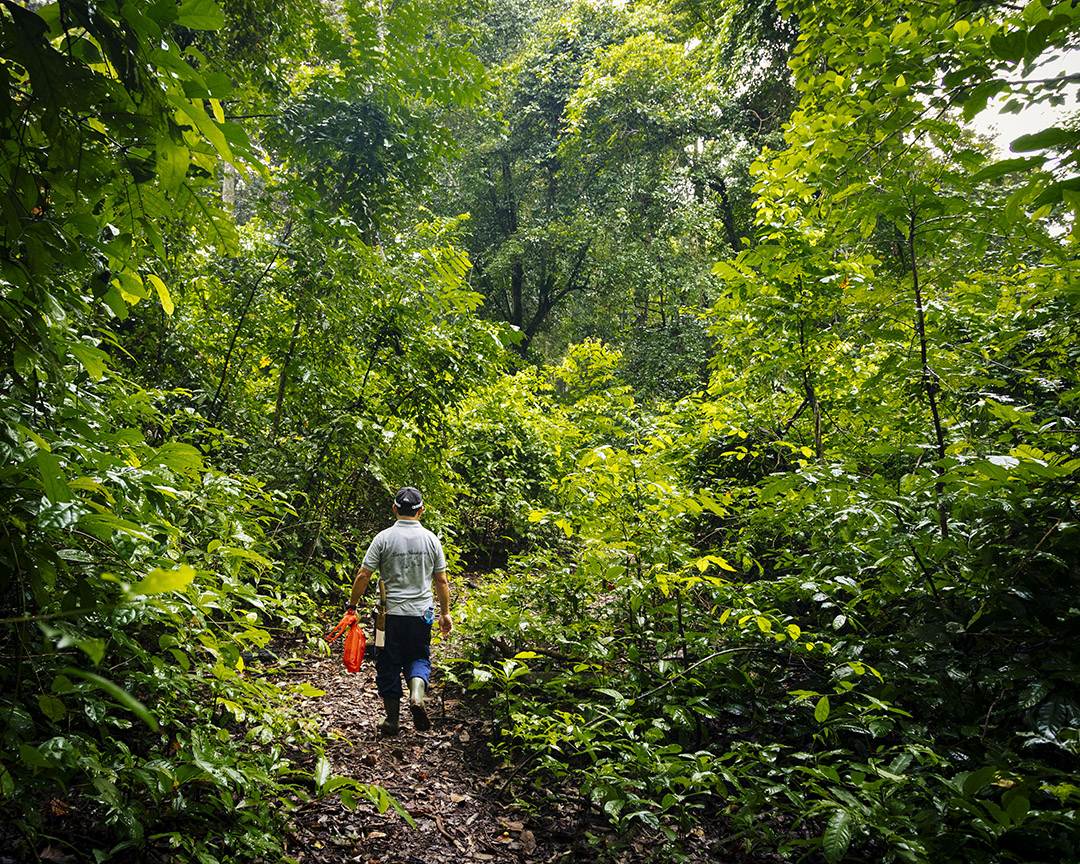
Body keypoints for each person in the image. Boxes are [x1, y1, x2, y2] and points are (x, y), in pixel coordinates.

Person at [347, 487, 452, 735]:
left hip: (387, 617)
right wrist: (445, 613)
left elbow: (364, 574)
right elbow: (441, 581)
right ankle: (416, 696)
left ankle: (392, 720)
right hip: (421, 614)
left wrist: (352, 606)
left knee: (388, 663)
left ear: (395, 509)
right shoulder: (431, 539)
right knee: (418, 656)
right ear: (421, 511)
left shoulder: (383, 538)